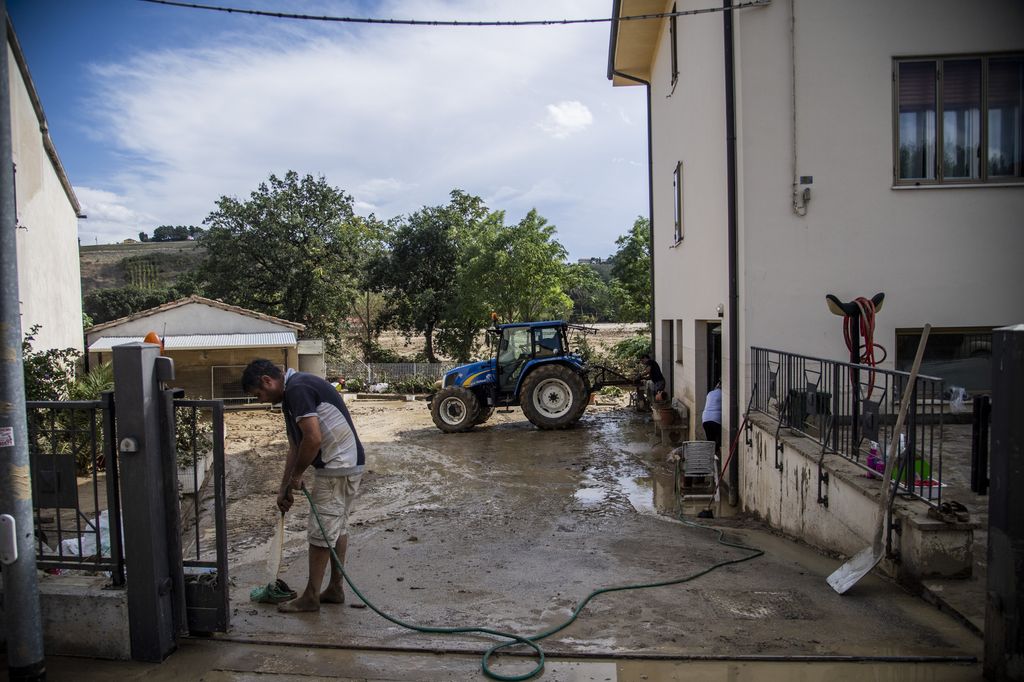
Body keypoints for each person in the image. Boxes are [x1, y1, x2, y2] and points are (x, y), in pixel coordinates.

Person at [242, 359, 365, 613]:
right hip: (346, 464)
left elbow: (313, 438)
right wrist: (284, 486)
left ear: (268, 380)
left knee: (321, 532)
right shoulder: (291, 395)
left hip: (337, 466)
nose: (261, 400)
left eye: (259, 394)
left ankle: (311, 596)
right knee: (337, 527)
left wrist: (297, 475)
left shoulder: (297, 389)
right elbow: (295, 446)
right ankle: (335, 588)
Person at [703, 382, 722, 448]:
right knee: (719, 440)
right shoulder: (723, 394)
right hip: (716, 420)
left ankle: (711, 454)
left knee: (710, 440)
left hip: (705, 419)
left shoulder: (710, 393)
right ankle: (717, 453)